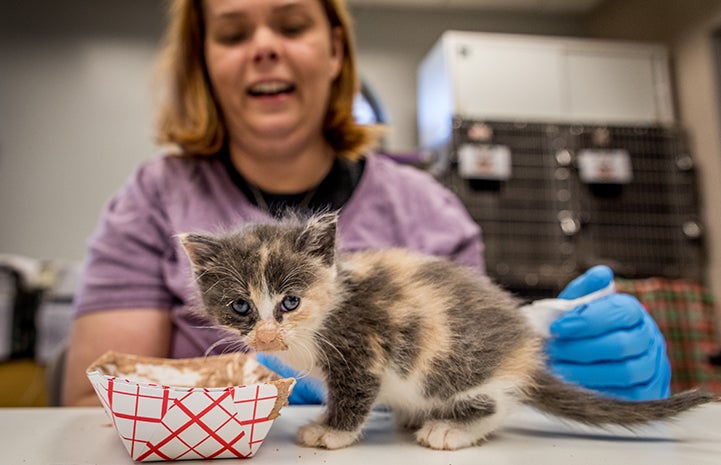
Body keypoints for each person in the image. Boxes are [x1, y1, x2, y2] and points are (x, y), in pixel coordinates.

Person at [61, 0, 670, 407]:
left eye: (292, 25)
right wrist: (260, 391)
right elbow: (95, 400)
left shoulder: (428, 212)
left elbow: (467, 374)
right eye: (233, 33)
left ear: (334, 53)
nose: (264, 46)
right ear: (204, 65)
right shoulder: (153, 199)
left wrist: (545, 368)